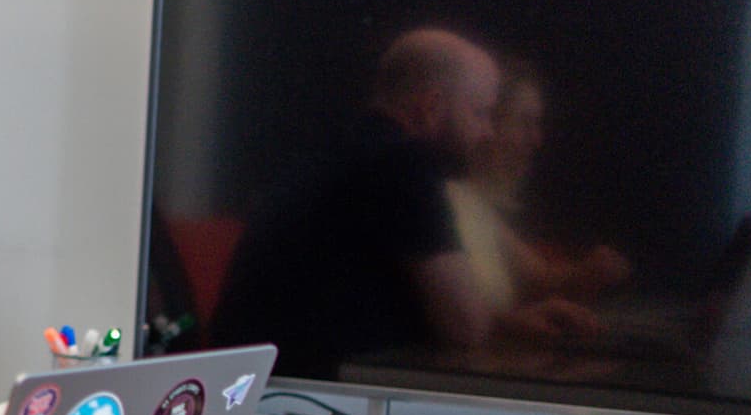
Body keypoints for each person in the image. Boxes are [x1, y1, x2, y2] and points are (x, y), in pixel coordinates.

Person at [211, 28, 601, 378]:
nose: (486, 132)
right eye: (480, 113)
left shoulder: (345, 151)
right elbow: (465, 329)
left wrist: (511, 323)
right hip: (304, 403)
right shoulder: (403, 163)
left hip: (248, 391)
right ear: (431, 107)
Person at [448, 57, 630, 313]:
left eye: (537, 124)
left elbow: (542, 278)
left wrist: (590, 270)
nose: (537, 140)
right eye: (525, 122)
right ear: (489, 124)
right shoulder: (442, 199)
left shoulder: (476, 205)